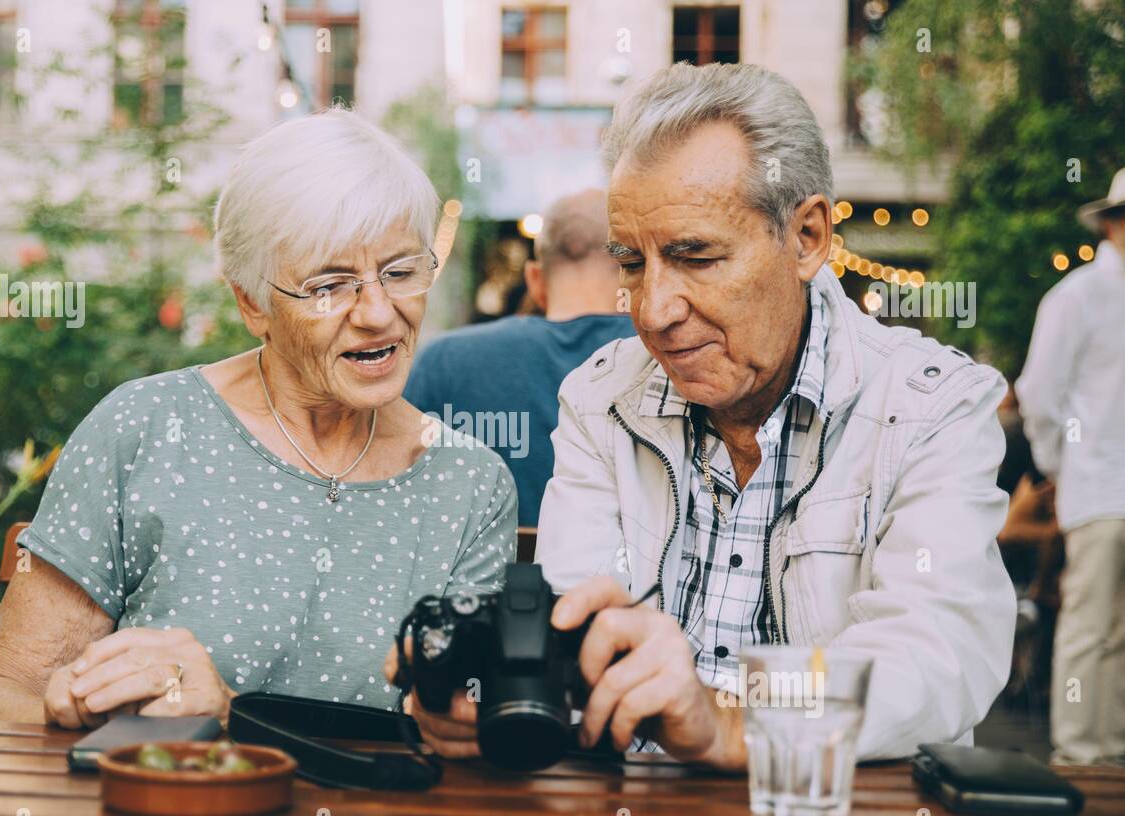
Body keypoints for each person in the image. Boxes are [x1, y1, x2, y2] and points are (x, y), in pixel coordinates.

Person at [395, 62, 1015, 765]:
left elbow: (933, 659)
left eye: (695, 256)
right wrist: (499, 694)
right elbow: (574, 626)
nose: (653, 311)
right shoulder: (598, 398)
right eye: (632, 263)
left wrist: (732, 720)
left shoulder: (932, 405)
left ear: (807, 237)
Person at [0, 109, 517, 729]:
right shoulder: (145, 430)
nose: (379, 313)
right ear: (252, 302)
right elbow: (10, 696)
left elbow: (466, 741)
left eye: (401, 272)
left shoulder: (470, 486)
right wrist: (82, 706)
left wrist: (230, 718)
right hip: (159, 814)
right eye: (330, 285)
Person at [404, 189, 634, 528]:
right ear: (632, 272)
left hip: (481, 579)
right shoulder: (666, 361)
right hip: (632, 581)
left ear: (535, 279)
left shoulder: (445, 362)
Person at [1015, 167, 1125, 765]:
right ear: (1112, 224)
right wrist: (1062, 466)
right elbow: (1039, 391)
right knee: (1090, 625)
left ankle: (1112, 751)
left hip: (1101, 483)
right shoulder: (1077, 295)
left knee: (1117, 631)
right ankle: (1081, 754)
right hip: (1101, 487)